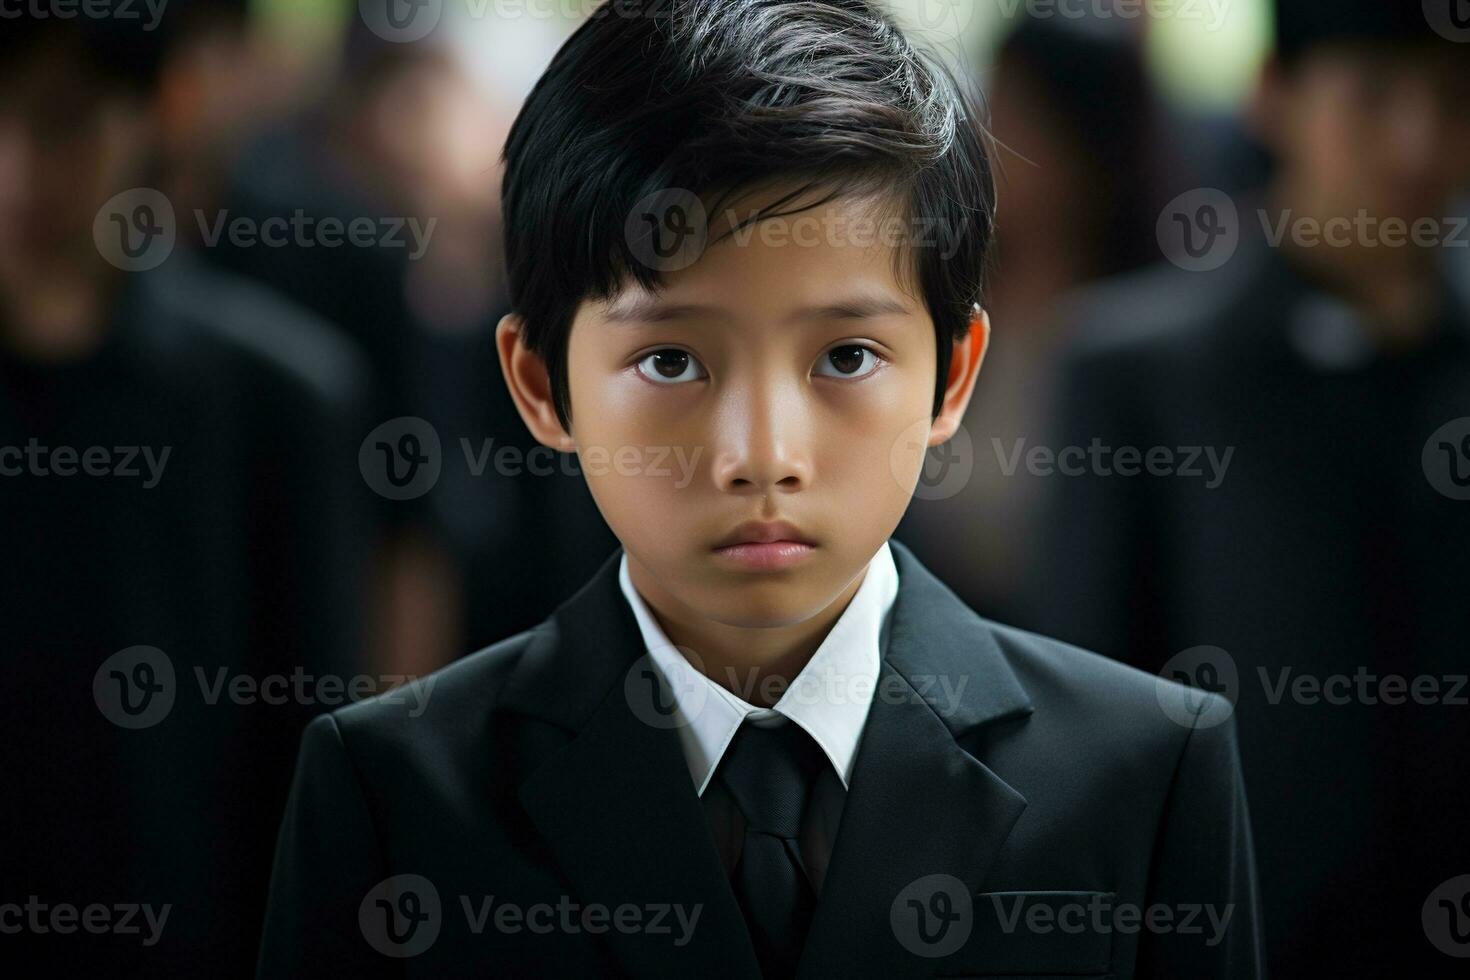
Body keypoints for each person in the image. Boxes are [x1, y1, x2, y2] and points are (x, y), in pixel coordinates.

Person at [258, 2, 1264, 977]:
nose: (763, 453)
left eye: (846, 354)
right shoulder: (392, 793)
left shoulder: (1146, 774)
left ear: (953, 375)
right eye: (671, 363)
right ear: (540, 384)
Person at [1026, 2, 1470, 976]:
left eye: (1454, 99)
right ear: (1275, 97)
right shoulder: (1140, 371)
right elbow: (1084, 718)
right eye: (1373, 95)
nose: (1421, 141)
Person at [0, 12, 372, 976]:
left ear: (159, 111)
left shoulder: (279, 401)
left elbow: (314, 772)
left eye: (60, 120)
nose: (17, 170)